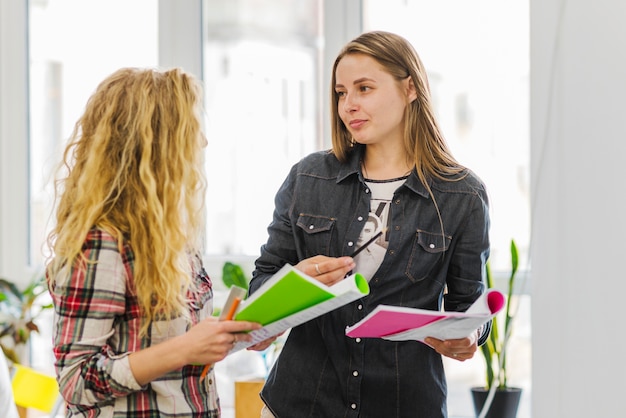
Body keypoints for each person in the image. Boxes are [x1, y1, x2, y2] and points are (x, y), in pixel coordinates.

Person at [248, 31, 491, 418]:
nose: (349, 106)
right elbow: (260, 287)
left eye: (364, 88)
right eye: (341, 93)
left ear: (410, 88)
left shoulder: (462, 195)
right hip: (300, 405)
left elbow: (467, 307)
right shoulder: (309, 178)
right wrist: (293, 283)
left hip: (404, 406)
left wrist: (468, 336)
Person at [46, 67, 261, 417]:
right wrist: (184, 349)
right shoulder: (101, 244)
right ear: (156, 142)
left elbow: (181, 350)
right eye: (191, 128)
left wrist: (224, 335)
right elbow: (76, 381)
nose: (203, 141)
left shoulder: (172, 240)